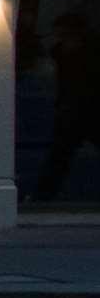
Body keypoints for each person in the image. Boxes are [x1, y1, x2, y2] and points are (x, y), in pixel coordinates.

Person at [36, 12, 99, 203]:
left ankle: (44, 195)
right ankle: (44, 194)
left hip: (85, 109)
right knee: (60, 154)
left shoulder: (82, 53)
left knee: (60, 154)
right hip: (74, 110)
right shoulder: (63, 53)